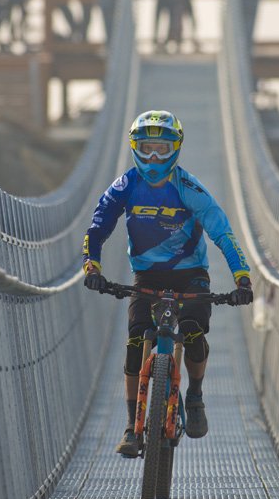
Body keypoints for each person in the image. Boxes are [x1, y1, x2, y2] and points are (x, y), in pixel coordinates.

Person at [82, 110, 254, 457]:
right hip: (147, 275)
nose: (154, 157)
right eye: (146, 148)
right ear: (135, 148)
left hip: (191, 274)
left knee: (192, 330)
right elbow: (98, 226)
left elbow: (223, 232)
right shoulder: (126, 186)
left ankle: (195, 395)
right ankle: (132, 427)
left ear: (176, 149)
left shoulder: (190, 189)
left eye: (162, 148)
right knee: (135, 341)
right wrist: (92, 265)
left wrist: (242, 277)